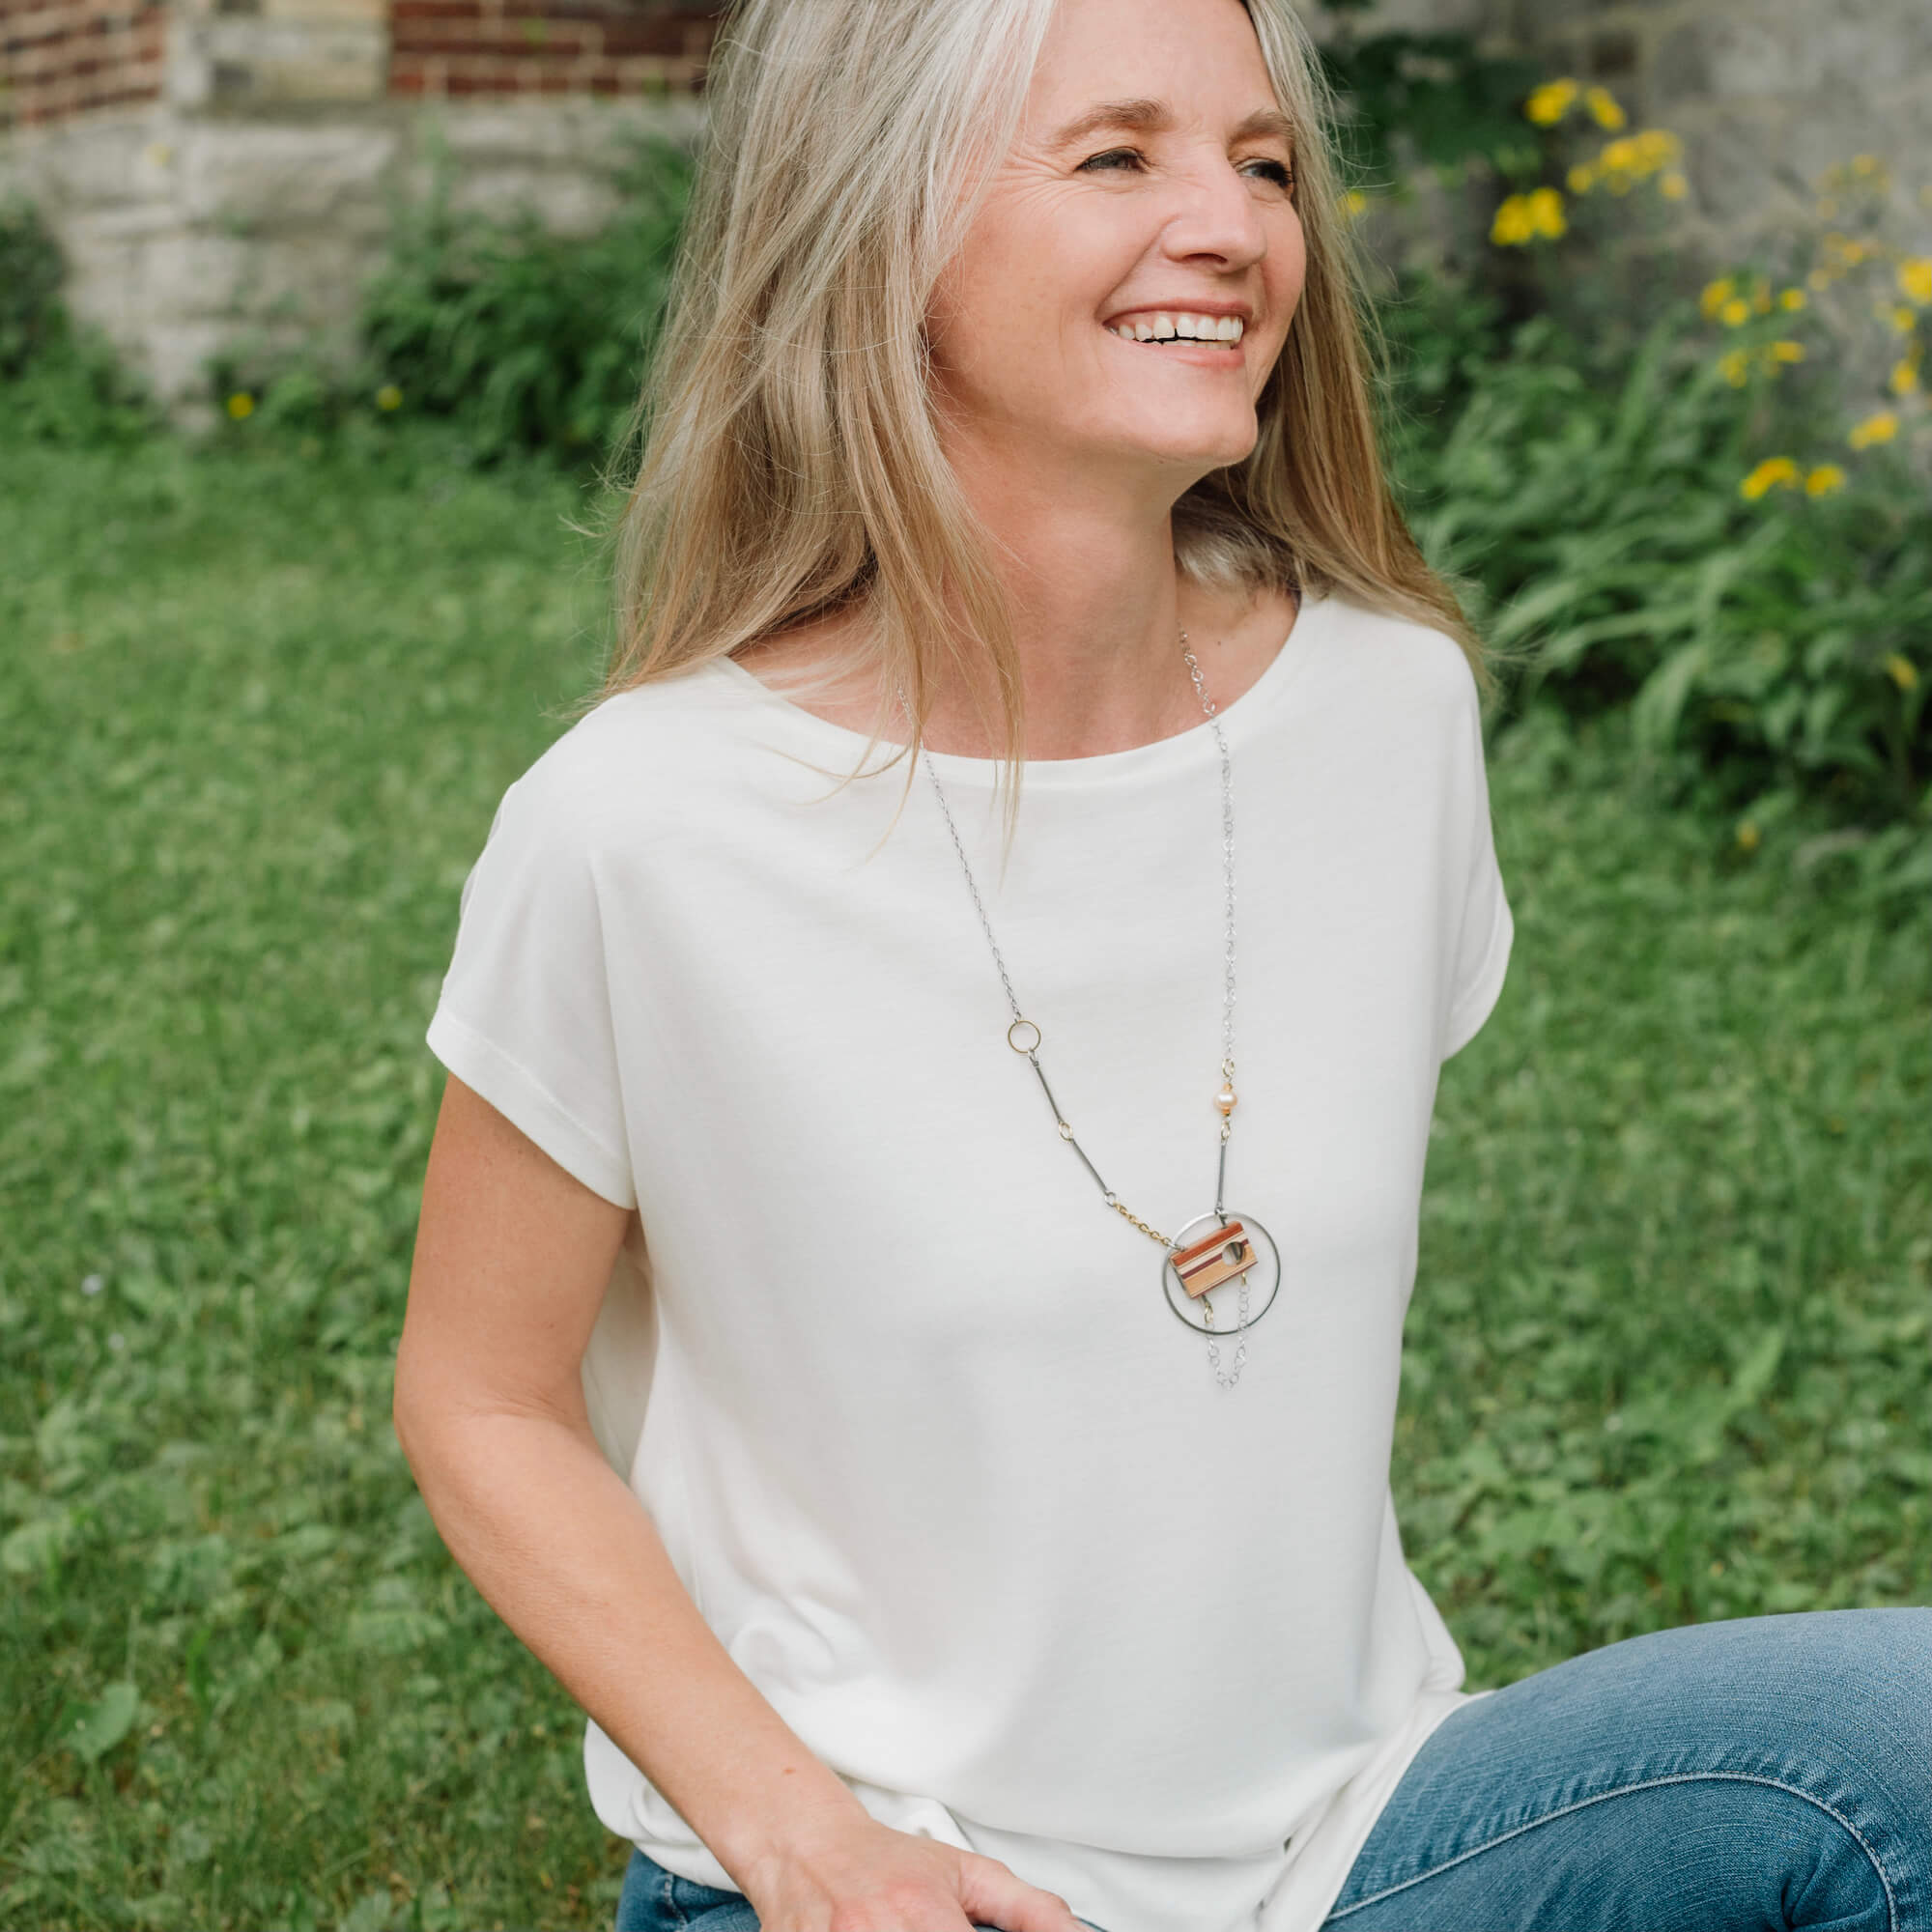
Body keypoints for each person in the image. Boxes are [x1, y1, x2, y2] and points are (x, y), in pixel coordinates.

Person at [393, 0, 1932, 1927]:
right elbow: (480, 1399)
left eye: (1263, 160)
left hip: (1362, 1844)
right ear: (872, 230)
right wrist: (804, 1839)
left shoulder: (1392, 713)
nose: (1229, 223)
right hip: (887, 1880)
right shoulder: (640, 823)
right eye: (1116, 155)